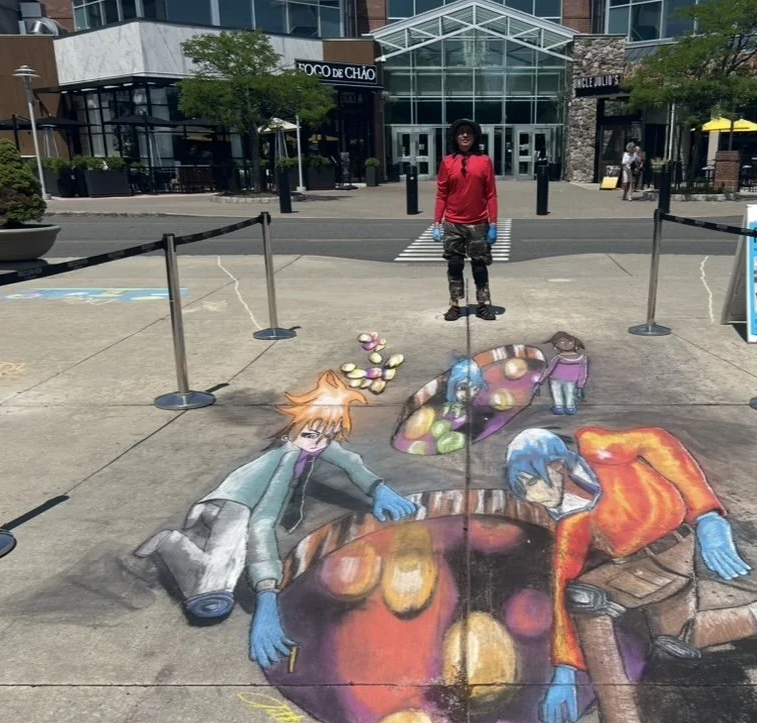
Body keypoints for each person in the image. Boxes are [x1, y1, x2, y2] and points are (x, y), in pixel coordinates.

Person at [504, 426, 757, 723]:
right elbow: (561, 582)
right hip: (648, 570)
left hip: (672, 547)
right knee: (678, 637)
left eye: (531, 481)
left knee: (589, 598)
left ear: (557, 464)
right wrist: (565, 667)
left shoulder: (601, 448)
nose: (534, 496)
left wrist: (708, 513)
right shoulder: (573, 522)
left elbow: (660, 443)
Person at [135, 371, 419, 667]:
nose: (318, 443)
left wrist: (378, 489)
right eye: (310, 434)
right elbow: (262, 523)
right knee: (212, 591)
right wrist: (267, 596)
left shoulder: (315, 443)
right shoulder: (285, 458)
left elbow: (349, 461)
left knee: (218, 580)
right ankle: (170, 542)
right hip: (231, 506)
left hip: (239, 509)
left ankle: (180, 546)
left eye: (327, 436)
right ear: (290, 431)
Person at [432, 118, 499, 322]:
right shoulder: (447, 162)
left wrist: (493, 224)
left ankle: (483, 304)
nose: (464, 135)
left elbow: (491, 195)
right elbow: (441, 194)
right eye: (460, 132)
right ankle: (454, 304)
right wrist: (436, 223)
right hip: (453, 223)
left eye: (468, 132)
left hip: (478, 223)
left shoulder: (484, 161)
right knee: (454, 264)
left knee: (479, 265)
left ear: (475, 136)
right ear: (455, 137)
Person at [538, 331, 589, 415]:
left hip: (563, 379)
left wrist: (580, 386)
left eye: (569, 341)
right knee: (562, 392)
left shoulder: (582, 359)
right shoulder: (558, 358)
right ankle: (563, 407)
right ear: (556, 346)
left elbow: (583, 373)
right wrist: (540, 381)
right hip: (558, 379)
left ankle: (566, 407)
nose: (565, 344)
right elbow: (549, 370)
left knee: (568, 393)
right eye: (561, 342)